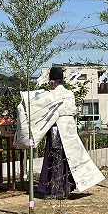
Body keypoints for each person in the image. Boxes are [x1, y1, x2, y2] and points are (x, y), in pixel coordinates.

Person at [37, 66, 76, 197]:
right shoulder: (70, 94)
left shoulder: (52, 94)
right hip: (69, 129)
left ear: (53, 82)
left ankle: (54, 190)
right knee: (66, 158)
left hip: (56, 129)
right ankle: (66, 188)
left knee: (55, 158)